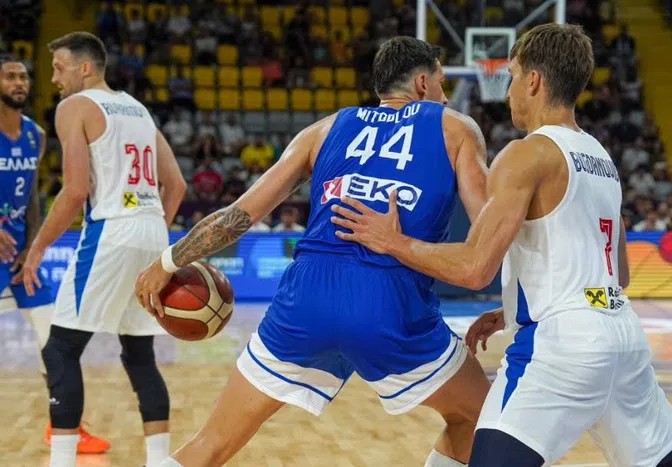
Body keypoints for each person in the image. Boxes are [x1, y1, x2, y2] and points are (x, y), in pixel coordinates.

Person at [331, 24, 672, 467]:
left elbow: (473, 268)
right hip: (622, 337)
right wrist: (511, 308)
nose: (506, 91)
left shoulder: (526, 154)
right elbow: (616, 274)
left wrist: (394, 241)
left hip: (562, 346)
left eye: (512, 76)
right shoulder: (602, 158)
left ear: (534, 81)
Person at [135, 36, 491, 467]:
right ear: (421, 83)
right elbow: (490, 235)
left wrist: (169, 261)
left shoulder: (324, 129)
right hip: (387, 303)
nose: (445, 95)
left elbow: (238, 215)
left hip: (304, 301)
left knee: (211, 443)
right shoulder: (455, 127)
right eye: (440, 82)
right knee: (482, 417)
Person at [19, 32, 187, 467]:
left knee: (60, 350)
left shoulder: (74, 107)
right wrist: (152, 232)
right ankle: (158, 461)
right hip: (152, 232)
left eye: (59, 68)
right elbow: (177, 184)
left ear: (85, 67)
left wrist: (36, 249)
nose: (54, 78)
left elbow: (74, 191)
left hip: (112, 230)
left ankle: (61, 462)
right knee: (140, 355)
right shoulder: (138, 109)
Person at [0, 54, 110, 454]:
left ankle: (66, 426)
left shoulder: (35, 135)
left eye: (23, 77)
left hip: (18, 258)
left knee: (53, 340)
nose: (19, 83)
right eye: (10, 77)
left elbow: (32, 196)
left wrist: (33, 244)